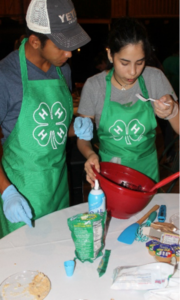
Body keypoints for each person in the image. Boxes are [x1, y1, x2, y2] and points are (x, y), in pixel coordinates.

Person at [0, 0, 93, 238]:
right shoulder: (6, 77)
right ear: (34, 41)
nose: (69, 53)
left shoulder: (63, 70)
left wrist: (75, 129)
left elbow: (53, 128)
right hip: (20, 192)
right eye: (62, 46)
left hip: (58, 188)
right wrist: (6, 192)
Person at [77, 17, 179, 187]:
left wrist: (173, 110)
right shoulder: (94, 86)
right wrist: (90, 155)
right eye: (124, 63)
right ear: (110, 54)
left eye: (140, 62)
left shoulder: (154, 78)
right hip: (110, 171)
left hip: (147, 172)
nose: (133, 72)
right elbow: (83, 139)